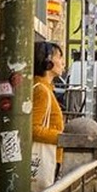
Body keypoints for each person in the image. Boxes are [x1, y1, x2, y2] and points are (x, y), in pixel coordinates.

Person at [32, 41, 66, 184]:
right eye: (59, 57)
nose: (63, 63)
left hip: (52, 155)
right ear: (47, 61)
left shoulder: (45, 88)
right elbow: (33, 129)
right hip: (47, 157)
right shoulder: (42, 91)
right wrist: (62, 138)